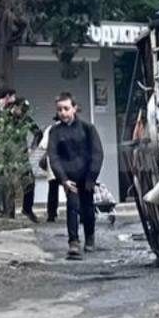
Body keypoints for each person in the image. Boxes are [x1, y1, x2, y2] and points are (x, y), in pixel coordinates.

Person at [47, 92, 104, 260]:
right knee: (72, 207)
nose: (63, 112)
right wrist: (63, 179)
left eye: (66, 108)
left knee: (87, 208)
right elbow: (54, 156)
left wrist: (91, 177)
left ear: (74, 108)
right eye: (59, 109)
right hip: (68, 178)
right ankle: (73, 242)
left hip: (87, 176)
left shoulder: (88, 128)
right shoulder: (55, 132)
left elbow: (97, 153)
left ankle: (90, 237)